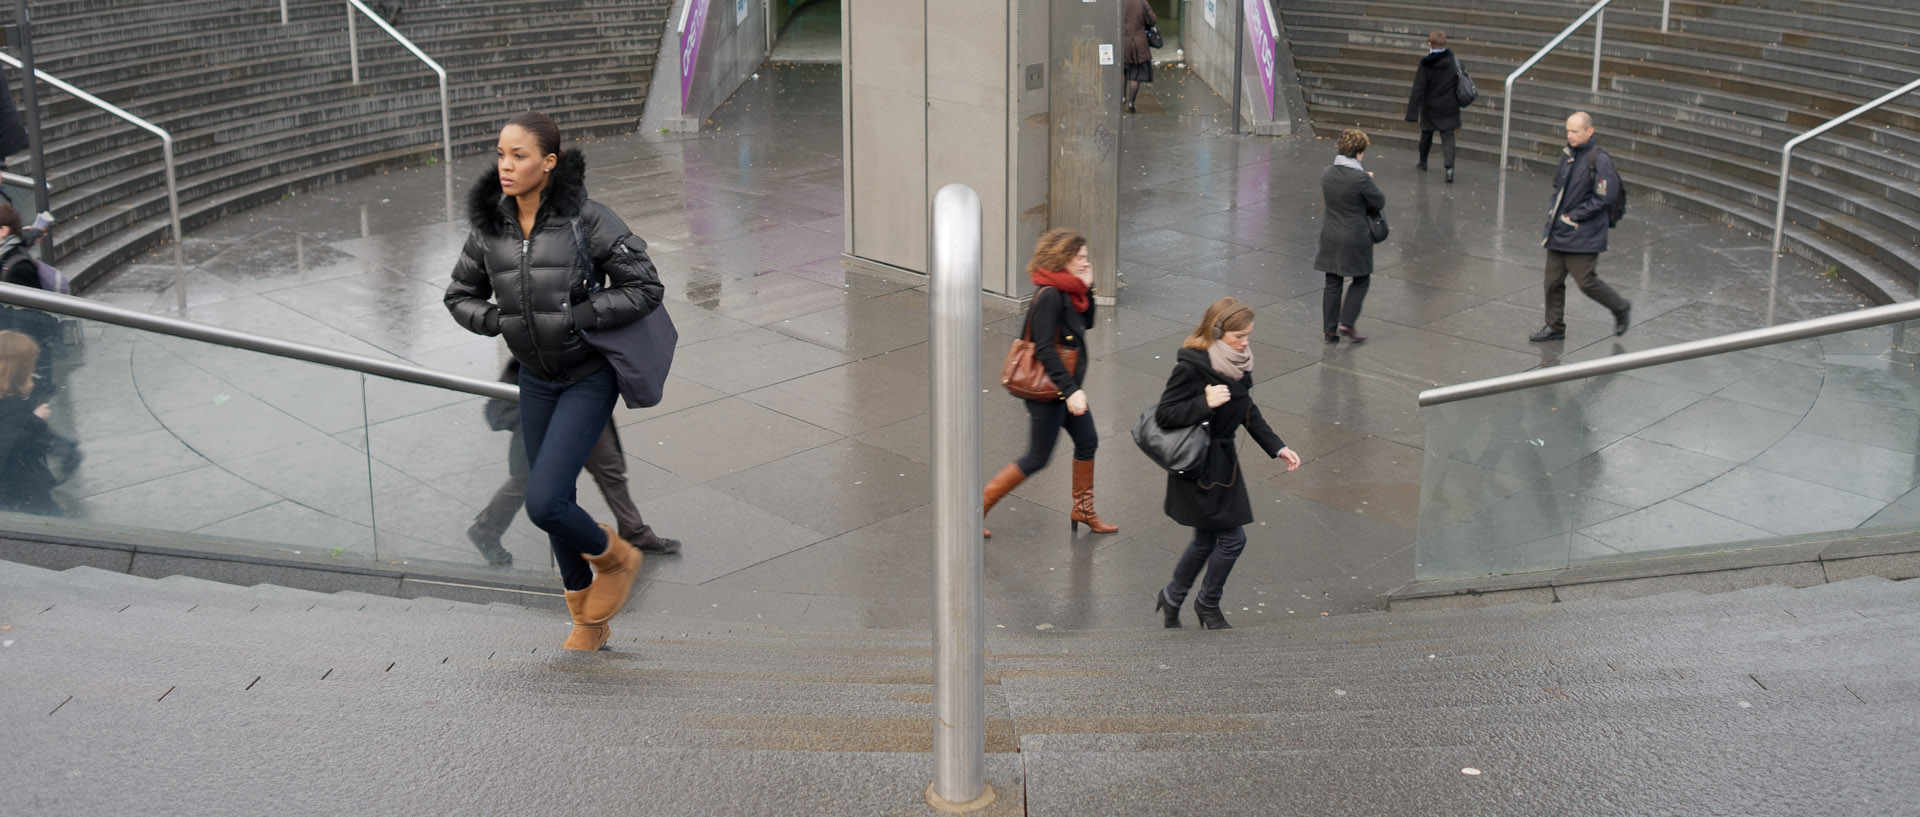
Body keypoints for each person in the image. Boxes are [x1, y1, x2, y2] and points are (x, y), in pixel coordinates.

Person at [445, 111, 664, 651]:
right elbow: (458, 295)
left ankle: (616, 558)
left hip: (588, 377)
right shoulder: (490, 227)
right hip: (535, 380)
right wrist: (497, 320)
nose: (505, 165)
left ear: (549, 162)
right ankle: (586, 621)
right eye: (501, 154)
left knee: (544, 502)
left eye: (519, 155)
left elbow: (645, 285)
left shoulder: (587, 220)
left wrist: (582, 315)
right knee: (556, 498)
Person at [1151, 298, 1300, 630]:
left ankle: (1172, 596)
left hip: (1222, 466)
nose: (1245, 342)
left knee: (1206, 539)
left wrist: (1278, 447)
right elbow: (1165, 414)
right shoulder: (1191, 367)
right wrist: (1203, 403)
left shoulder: (1237, 362)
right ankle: (1207, 603)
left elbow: (1247, 410)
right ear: (1217, 332)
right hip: (1200, 466)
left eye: (1248, 335)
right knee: (1233, 540)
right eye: (1238, 336)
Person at [469, 359, 683, 567]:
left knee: (610, 470)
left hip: (585, 396)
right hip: (547, 407)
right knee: (527, 480)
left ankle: (634, 532)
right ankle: (485, 531)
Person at [981, 228, 1117, 539]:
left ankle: (1083, 509)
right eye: (1080, 258)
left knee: (1088, 441)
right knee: (1037, 457)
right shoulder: (1050, 295)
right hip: (1049, 392)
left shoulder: (1071, 290)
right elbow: (1043, 347)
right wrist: (1070, 391)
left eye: (1085, 257)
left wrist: (1089, 285)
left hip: (1066, 389)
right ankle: (975, 509)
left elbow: (1089, 322)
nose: (1085, 262)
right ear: (1063, 259)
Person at [1530, 111, 1631, 342]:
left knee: (1586, 282)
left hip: (1584, 234)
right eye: (1568, 130)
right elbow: (1558, 187)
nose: (1570, 135)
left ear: (1589, 131)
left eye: (1575, 131)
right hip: (1560, 231)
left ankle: (1620, 307)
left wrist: (1574, 216)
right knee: (1552, 282)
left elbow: (1604, 197)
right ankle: (1554, 327)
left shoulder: (1600, 160)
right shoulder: (1568, 155)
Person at [1315, 129, 1386, 343]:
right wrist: (1367, 179)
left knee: (1332, 281)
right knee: (1361, 279)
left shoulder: (1327, 172)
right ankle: (1347, 322)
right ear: (1358, 153)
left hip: (1330, 235)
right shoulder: (1360, 179)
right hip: (1355, 237)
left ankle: (1330, 329)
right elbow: (1378, 202)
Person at [0, 330, 59, 516]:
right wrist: (35, 420)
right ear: (18, 373)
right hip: (23, 491)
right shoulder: (11, 407)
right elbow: (9, 446)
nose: (33, 374)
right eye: (30, 369)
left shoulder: (10, 401)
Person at [1405, 30, 1462, 183]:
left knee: (1426, 135)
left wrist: (1412, 113)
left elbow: (1418, 88)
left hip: (1430, 106)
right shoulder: (1453, 61)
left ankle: (1423, 161)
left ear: (1429, 44)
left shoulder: (1426, 64)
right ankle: (1449, 169)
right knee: (1448, 137)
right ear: (1444, 44)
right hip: (1449, 105)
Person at [1121, 0, 1157, 113]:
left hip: (1123, 41)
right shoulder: (1142, 2)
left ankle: (1122, 98)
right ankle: (1131, 102)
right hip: (1138, 42)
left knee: (1122, 72)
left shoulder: (1118, 2)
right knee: (1135, 74)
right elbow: (1152, 20)